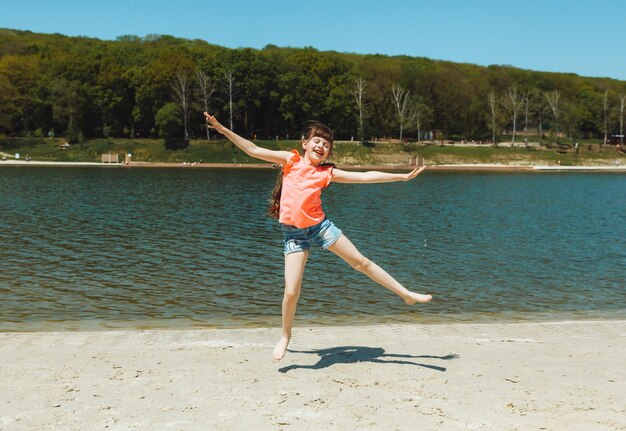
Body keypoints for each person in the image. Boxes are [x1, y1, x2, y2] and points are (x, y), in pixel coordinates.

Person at [203, 112, 433, 361]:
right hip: (294, 236)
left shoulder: (326, 173)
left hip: (321, 228)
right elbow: (252, 149)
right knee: (291, 292)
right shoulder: (289, 160)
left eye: (326, 145)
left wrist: (401, 176)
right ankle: (285, 336)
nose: (321, 147)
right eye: (317, 141)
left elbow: (364, 177)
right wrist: (223, 129)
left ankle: (406, 295)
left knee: (361, 262)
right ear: (305, 144)